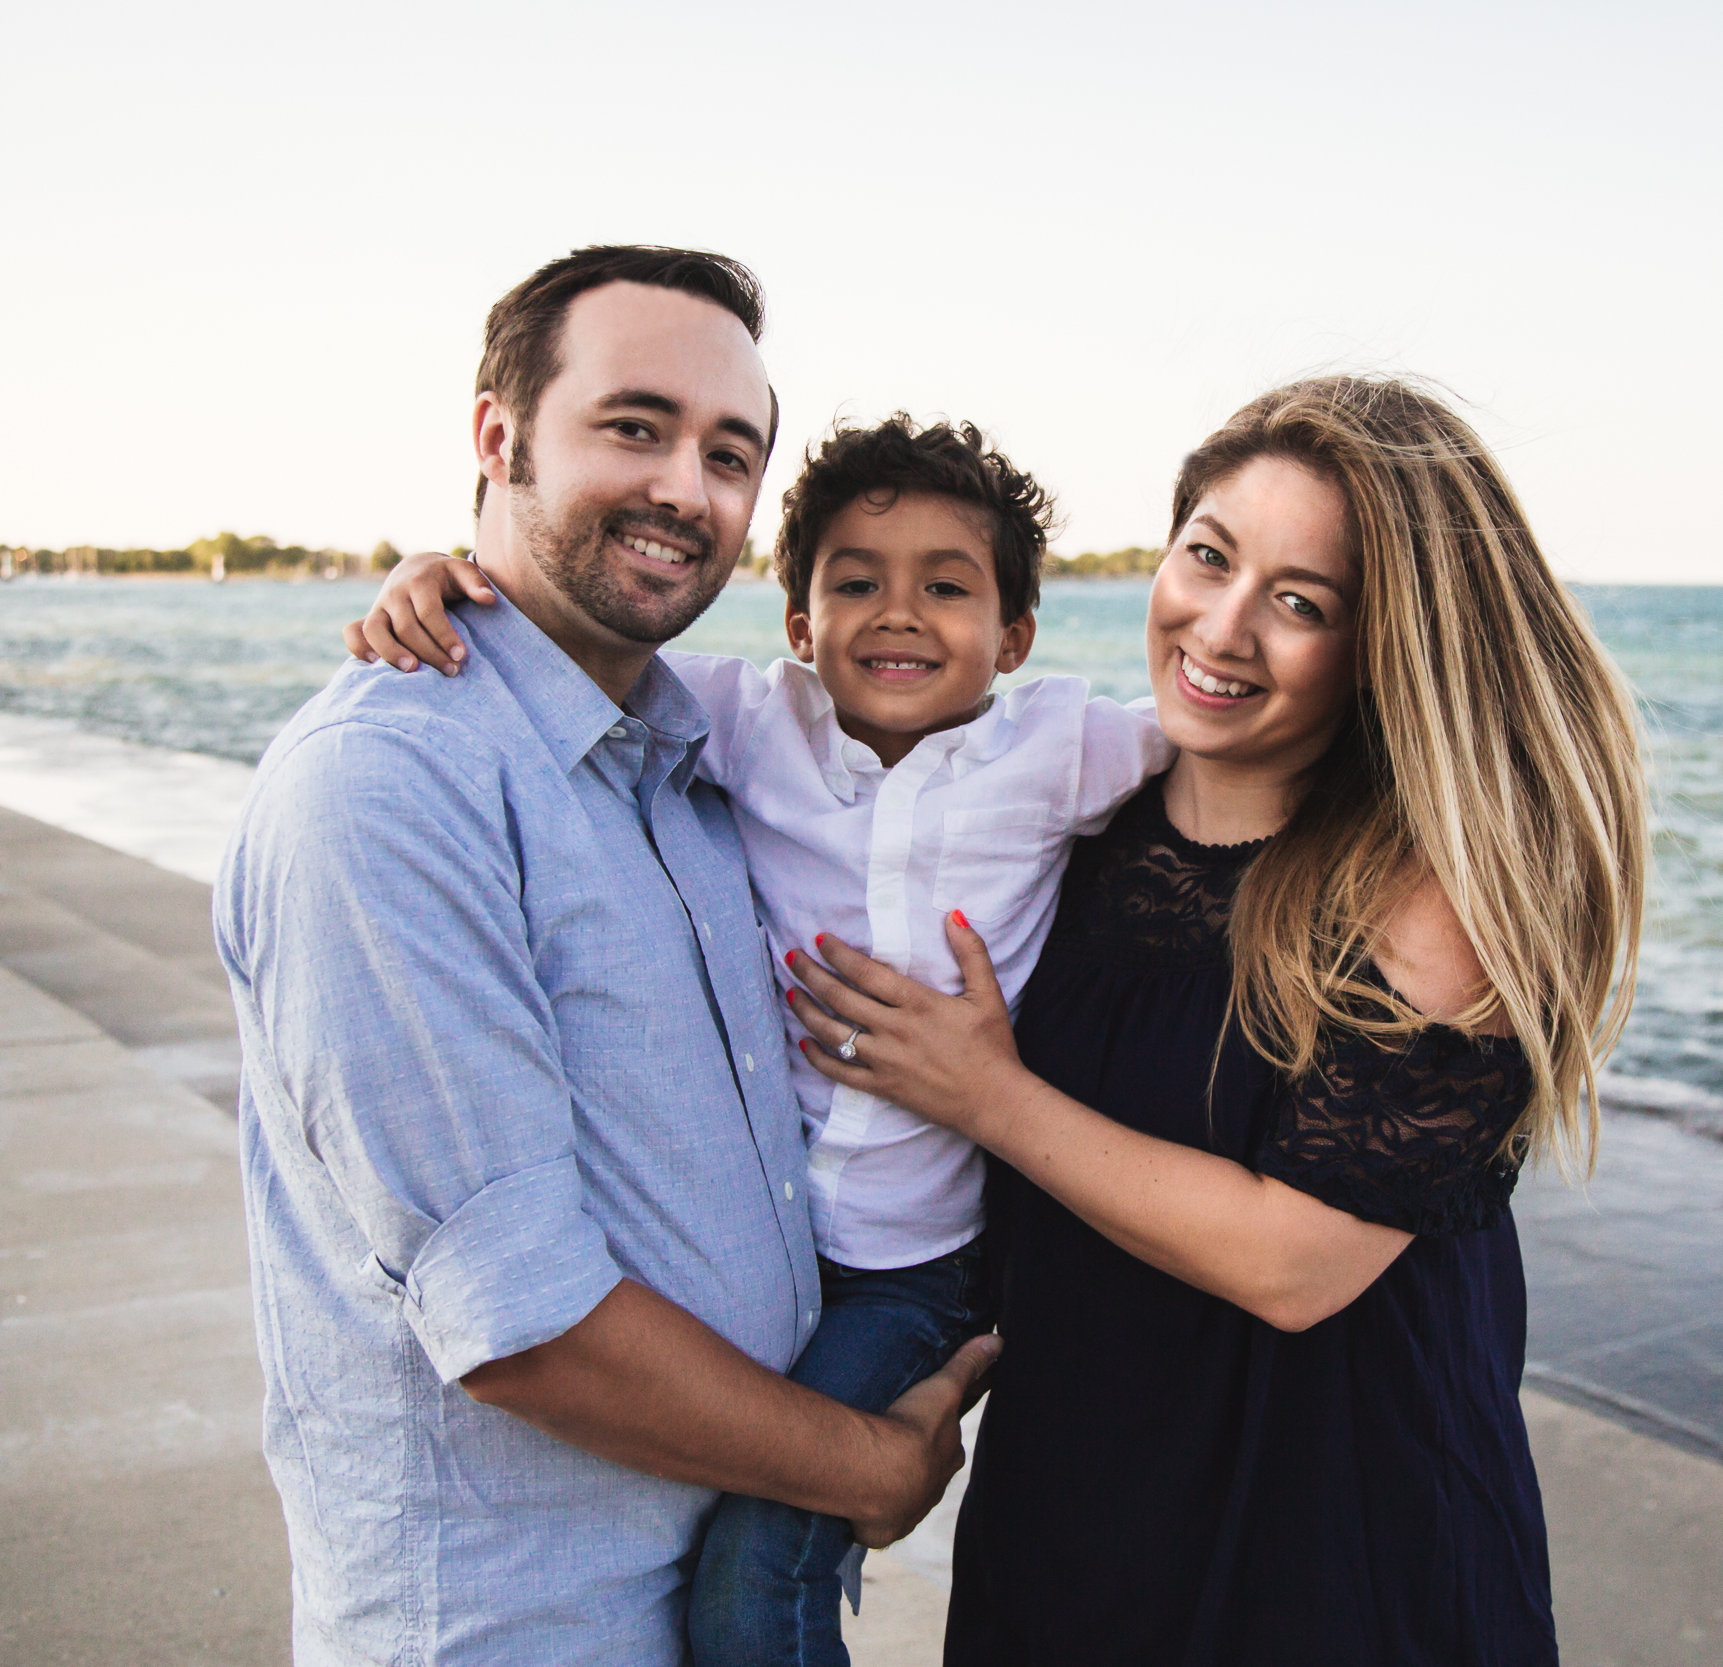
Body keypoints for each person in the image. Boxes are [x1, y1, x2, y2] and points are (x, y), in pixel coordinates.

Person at [780, 376, 1650, 1665]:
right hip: (1070, 1521)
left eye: (1301, 602)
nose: (1222, 627)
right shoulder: (1078, 827)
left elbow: (1293, 1263)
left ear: (1386, 645)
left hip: (1329, 1549)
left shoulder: (1430, 891)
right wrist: (471, 600)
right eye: (1208, 557)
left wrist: (987, 1092)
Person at [214, 245, 993, 1667]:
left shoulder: (691, 756)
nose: (686, 489)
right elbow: (524, 1323)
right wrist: (871, 1464)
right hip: (525, 1625)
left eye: (729, 452)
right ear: (498, 437)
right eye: (633, 427)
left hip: (721, 1586)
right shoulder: (390, 787)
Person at [350, 412, 1173, 1665]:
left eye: (946, 588)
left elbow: (1237, 729)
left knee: (754, 1575)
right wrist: (436, 585)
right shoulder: (743, 719)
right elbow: (564, 665)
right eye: (855, 583)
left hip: (916, 1265)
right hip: (769, 1234)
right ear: (798, 624)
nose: (897, 613)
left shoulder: (1062, 745)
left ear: (1012, 637)